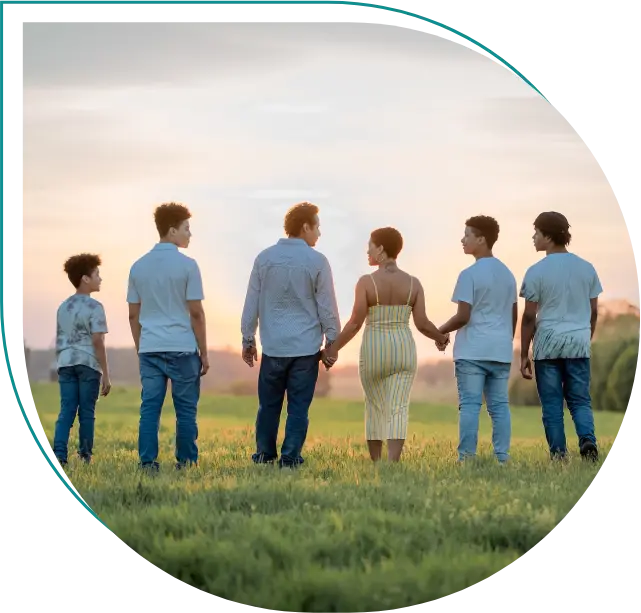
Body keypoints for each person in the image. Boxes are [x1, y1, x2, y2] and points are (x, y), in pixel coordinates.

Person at [324, 227, 450, 463]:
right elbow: (422, 323)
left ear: (381, 248)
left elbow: (354, 323)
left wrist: (333, 349)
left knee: (374, 407)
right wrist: (440, 338)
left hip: (374, 350)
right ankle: (392, 463)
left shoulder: (366, 282)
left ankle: (378, 464)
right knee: (398, 408)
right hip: (403, 349)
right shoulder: (413, 284)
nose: (367, 251)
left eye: (370, 246)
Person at [240, 202, 340, 469]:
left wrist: (248, 339)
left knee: (268, 406)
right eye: (317, 226)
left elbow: (251, 302)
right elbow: (327, 306)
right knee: (298, 408)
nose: (319, 233)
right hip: (305, 350)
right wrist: (333, 342)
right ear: (305, 226)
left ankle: (264, 455)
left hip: (273, 347)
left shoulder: (264, 258)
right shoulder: (317, 261)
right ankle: (290, 457)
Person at [127, 203, 208, 472]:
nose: (190, 234)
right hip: (183, 350)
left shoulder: (137, 267)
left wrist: (141, 348)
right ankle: (185, 463)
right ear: (172, 231)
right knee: (185, 411)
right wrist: (204, 353)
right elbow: (196, 313)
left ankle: (147, 462)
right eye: (187, 229)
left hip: (150, 349)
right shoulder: (188, 266)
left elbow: (132, 315)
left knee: (149, 408)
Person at [519, 212, 601, 462]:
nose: (533, 237)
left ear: (548, 235)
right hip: (578, 342)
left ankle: (558, 454)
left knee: (552, 404)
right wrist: (587, 337)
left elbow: (529, 317)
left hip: (547, 344)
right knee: (579, 400)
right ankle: (587, 440)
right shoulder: (587, 268)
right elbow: (594, 311)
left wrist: (524, 353)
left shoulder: (535, 271)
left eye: (536, 232)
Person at [437, 216, 517, 464]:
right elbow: (513, 315)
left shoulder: (469, 274)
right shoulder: (508, 274)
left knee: (470, 405)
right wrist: (504, 342)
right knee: (499, 407)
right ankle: (502, 458)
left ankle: (467, 458)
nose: (463, 240)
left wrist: (441, 330)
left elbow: (463, 316)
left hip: (472, 351)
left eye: (467, 235)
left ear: (481, 239)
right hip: (500, 350)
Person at [53, 254, 111, 466]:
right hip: (88, 364)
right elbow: (98, 341)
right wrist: (106, 372)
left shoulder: (63, 307)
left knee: (66, 409)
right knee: (87, 412)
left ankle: (59, 455)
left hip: (66, 363)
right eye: (97, 274)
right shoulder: (95, 307)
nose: (100, 278)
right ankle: (85, 456)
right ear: (85, 278)